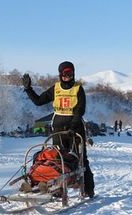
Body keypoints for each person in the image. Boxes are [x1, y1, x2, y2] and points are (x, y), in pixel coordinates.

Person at [21, 61, 95, 198]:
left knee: (81, 159)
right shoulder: (56, 88)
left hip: (75, 127)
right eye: (64, 74)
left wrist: (72, 127)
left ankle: (88, 190)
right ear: (60, 74)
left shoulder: (78, 89)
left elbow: (80, 111)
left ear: (73, 74)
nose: (67, 76)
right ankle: (57, 188)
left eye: (70, 73)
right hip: (58, 127)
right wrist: (28, 89)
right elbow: (38, 101)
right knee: (57, 158)